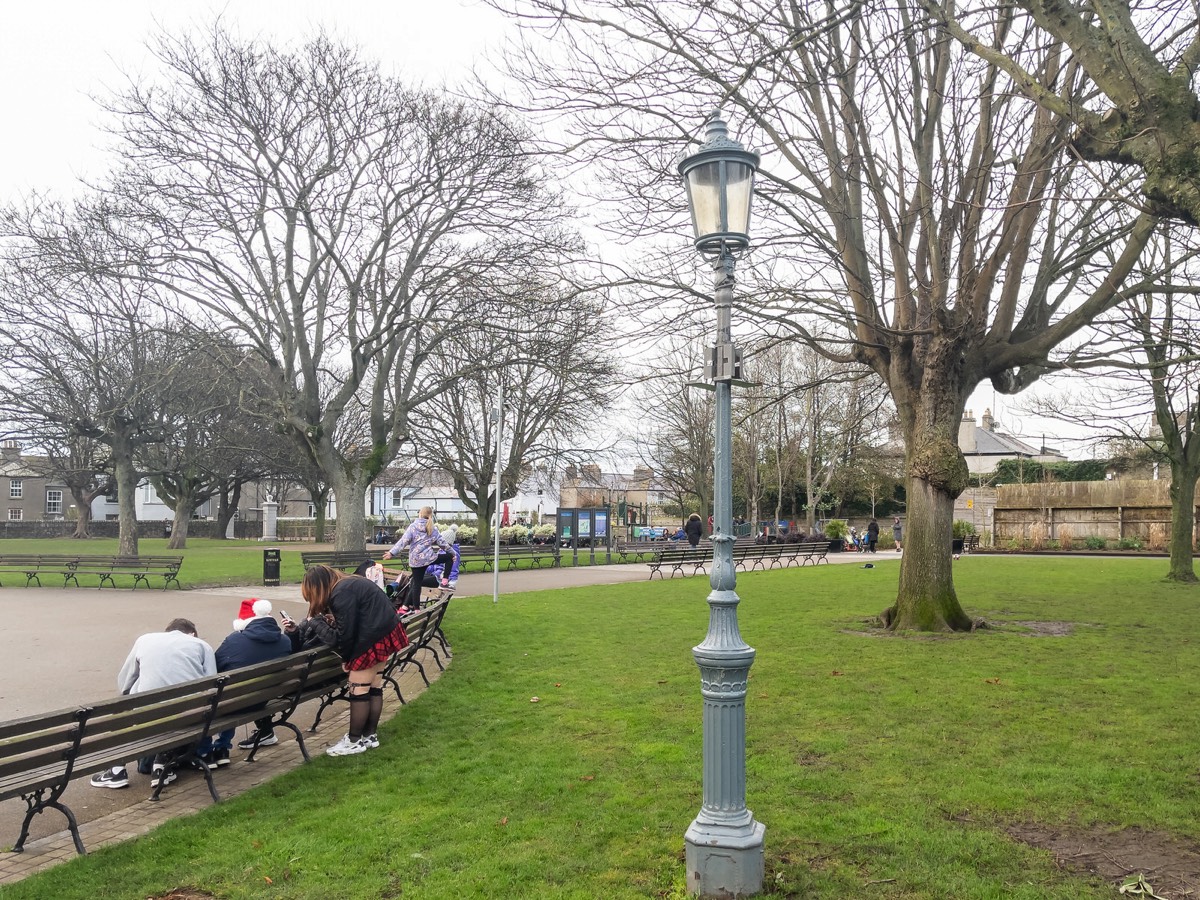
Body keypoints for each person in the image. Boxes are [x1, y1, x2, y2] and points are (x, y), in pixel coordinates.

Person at [284, 565, 408, 756]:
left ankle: (353, 741)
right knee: (374, 687)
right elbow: (350, 626)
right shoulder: (350, 583)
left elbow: (341, 638)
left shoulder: (340, 593)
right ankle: (369, 736)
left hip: (372, 639)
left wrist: (315, 621)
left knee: (358, 690)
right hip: (385, 632)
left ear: (317, 587)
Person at [90, 618, 216, 790]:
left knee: (123, 712)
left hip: (147, 716)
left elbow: (126, 679)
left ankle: (116, 769)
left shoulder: (145, 639)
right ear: (192, 634)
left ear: (168, 631)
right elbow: (211, 684)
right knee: (174, 708)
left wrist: (129, 693)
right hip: (189, 717)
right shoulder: (202, 645)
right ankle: (161, 763)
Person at [198, 598, 296, 761]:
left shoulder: (234, 640)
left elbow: (214, 670)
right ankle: (225, 746)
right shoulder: (285, 641)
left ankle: (217, 748)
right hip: (264, 699)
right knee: (240, 692)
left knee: (223, 697)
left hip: (237, 703)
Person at [382, 506, 453, 611]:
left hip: (416, 561)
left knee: (417, 584)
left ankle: (416, 609)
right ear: (430, 515)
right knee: (449, 558)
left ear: (420, 514)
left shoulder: (413, 527)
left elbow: (403, 542)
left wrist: (392, 553)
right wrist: (453, 553)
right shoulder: (433, 528)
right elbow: (443, 544)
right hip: (429, 558)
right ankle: (445, 582)